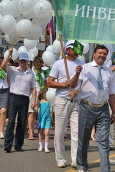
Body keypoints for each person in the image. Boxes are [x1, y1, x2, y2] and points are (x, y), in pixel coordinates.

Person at [76, 45, 115, 172]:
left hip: (103, 109)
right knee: (83, 139)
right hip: (86, 107)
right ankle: (81, 165)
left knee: (104, 143)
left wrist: (114, 111)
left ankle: (105, 169)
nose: (102, 56)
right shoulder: (84, 68)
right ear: (94, 54)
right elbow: (75, 85)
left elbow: (111, 94)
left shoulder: (109, 72)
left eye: (105, 54)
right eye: (100, 53)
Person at [47, 40, 84, 169]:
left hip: (77, 101)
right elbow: (49, 82)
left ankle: (75, 160)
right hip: (62, 100)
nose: (77, 51)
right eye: (75, 48)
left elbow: (84, 83)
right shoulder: (59, 64)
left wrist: (77, 91)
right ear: (67, 50)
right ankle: (60, 158)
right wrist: (63, 84)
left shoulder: (82, 63)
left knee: (76, 132)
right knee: (60, 132)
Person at [1, 50, 36, 153]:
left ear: (27, 62)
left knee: (21, 123)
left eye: (24, 61)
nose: (22, 62)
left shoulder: (31, 73)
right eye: (21, 60)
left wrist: (33, 100)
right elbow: (2, 66)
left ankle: (18, 145)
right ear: (18, 60)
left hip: (24, 99)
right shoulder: (13, 70)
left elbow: (33, 87)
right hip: (13, 97)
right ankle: (8, 145)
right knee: (11, 121)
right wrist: (8, 55)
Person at [27, 56, 47, 140]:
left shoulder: (43, 72)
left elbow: (45, 82)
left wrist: (46, 93)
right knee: (32, 113)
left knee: (40, 113)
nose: (38, 64)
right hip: (33, 92)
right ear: (34, 63)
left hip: (42, 93)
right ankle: (31, 132)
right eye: (37, 62)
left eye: (40, 62)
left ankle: (39, 131)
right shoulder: (31, 71)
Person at [37, 88, 52, 153]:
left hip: (48, 119)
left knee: (47, 133)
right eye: (45, 93)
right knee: (40, 132)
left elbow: (51, 110)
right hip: (41, 119)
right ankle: (40, 145)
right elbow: (36, 109)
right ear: (42, 94)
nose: (46, 95)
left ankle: (46, 147)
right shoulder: (40, 101)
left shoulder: (50, 102)